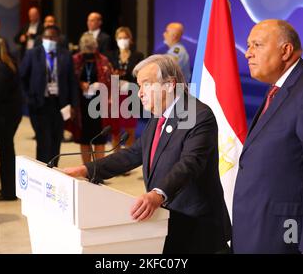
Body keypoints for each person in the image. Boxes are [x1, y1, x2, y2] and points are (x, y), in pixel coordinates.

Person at [60, 54, 231, 254]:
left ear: (170, 84)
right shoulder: (159, 117)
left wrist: (158, 194)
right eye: (139, 86)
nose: (139, 93)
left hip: (198, 228)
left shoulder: (198, 115)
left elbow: (189, 164)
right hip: (168, 222)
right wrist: (85, 170)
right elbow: (132, 154)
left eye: (146, 85)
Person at [232, 19, 303, 254]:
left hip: (287, 238)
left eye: (257, 45)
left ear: (286, 51)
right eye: (248, 45)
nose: (248, 54)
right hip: (259, 231)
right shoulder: (280, 89)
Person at [20, 26, 77, 166]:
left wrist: (73, 105)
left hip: (59, 104)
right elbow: (22, 78)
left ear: (58, 39)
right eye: (46, 37)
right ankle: (42, 172)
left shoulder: (65, 55)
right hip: (39, 104)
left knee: (56, 140)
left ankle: (54, 170)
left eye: (52, 37)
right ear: (42, 38)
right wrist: (27, 98)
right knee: (43, 141)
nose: (49, 40)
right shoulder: (32, 54)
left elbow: (72, 81)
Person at [0, 39, 23, 201]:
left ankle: (8, 191)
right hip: (10, 115)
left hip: (4, 117)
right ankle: (8, 188)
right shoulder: (6, 65)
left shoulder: (1, 69)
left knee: (6, 154)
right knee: (7, 152)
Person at [70, 33, 112, 163]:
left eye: (91, 49)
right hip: (81, 106)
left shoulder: (103, 60)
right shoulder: (76, 60)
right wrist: (80, 84)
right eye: (86, 49)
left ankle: (99, 170)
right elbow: (71, 79)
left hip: (99, 104)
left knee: (100, 138)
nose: (89, 52)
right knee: (84, 138)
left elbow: (110, 81)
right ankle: (87, 169)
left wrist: (100, 85)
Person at [107, 27, 144, 151]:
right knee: (115, 130)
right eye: (120, 38)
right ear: (116, 40)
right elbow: (106, 74)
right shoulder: (111, 55)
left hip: (131, 95)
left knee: (129, 130)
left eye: (125, 38)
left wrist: (129, 84)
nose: (123, 40)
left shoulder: (138, 56)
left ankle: (128, 159)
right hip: (114, 95)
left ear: (130, 39)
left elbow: (141, 75)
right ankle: (115, 158)